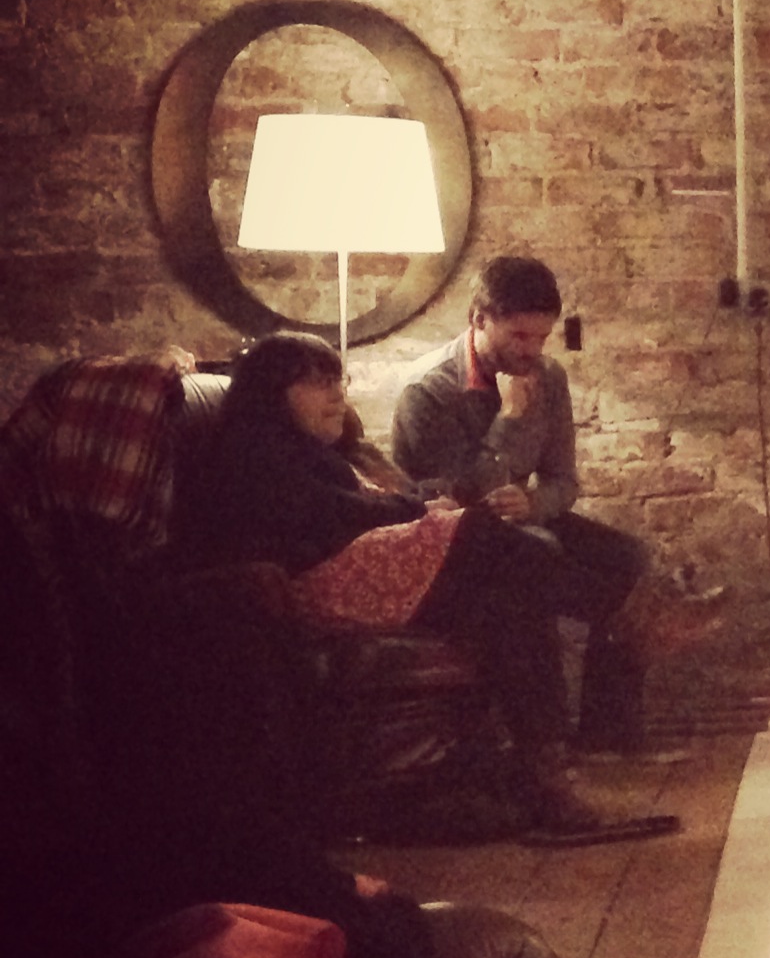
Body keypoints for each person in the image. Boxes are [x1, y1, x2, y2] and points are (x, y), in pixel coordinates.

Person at [175, 331, 644, 836]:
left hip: (368, 571)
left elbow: (372, 502)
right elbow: (330, 517)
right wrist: (419, 510)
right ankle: (626, 615)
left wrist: (418, 504)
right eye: (316, 384)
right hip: (322, 584)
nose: (337, 394)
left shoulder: (324, 451)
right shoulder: (258, 450)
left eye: (338, 380)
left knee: (509, 601)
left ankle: (544, 779)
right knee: (481, 532)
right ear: (272, 392)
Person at [392, 253, 716, 757]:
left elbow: (564, 481)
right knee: (539, 554)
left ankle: (608, 736)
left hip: (524, 518)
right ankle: (641, 624)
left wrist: (534, 503)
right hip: (462, 539)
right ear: (479, 319)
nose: (531, 352)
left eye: (540, 338)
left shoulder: (550, 377)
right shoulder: (427, 392)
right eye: (518, 337)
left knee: (628, 555)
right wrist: (509, 420)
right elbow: (453, 500)